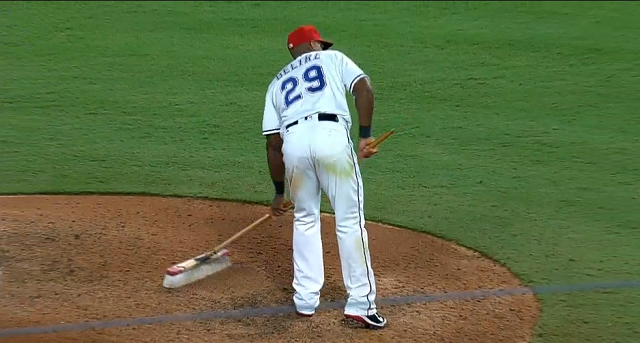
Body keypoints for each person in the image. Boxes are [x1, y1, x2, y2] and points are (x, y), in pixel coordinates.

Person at [261, 25, 387, 329]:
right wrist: (365, 137)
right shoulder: (334, 60)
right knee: (349, 220)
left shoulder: (277, 83)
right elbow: (363, 89)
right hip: (331, 140)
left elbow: (273, 143)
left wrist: (280, 192)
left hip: (294, 146)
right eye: (321, 43)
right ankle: (360, 302)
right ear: (314, 44)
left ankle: (304, 299)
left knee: (304, 218)